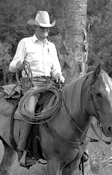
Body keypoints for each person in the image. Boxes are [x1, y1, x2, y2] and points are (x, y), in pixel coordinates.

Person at [9, 10, 65, 167]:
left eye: (47, 28)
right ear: (35, 28)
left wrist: (58, 75)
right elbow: (12, 66)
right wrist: (18, 65)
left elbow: (55, 68)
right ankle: (23, 151)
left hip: (49, 85)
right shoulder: (25, 43)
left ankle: (74, 149)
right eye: (42, 28)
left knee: (68, 106)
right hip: (31, 85)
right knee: (31, 112)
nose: (45, 31)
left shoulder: (51, 47)